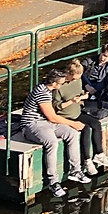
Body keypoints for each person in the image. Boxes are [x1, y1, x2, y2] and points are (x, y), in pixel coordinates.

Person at [21, 67, 91, 197]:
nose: (63, 84)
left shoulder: (48, 90)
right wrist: (73, 123)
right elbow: (52, 117)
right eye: (61, 83)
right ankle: (53, 182)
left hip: (46, 123)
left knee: (72, 133)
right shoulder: (41, 92)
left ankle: (75, 170)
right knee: (52, 142)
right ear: (54, 83)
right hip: (32, 125)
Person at [53, 59, 108, 176]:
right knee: (85, 129)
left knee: (96, 124)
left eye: (78, 78)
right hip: (65, 116)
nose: (76, 80)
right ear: (68, 74)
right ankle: (87, 160)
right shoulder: (59, 86)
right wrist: (71, 101)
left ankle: (99, 154)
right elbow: (56, 107)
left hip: (77, 112)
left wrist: (83, 97)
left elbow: (79, 94)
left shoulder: (78, 81)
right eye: (74, 78)